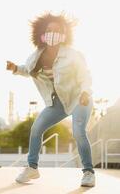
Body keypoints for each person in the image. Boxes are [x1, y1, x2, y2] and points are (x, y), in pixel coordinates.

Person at [6, 13, 95, 187]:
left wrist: (85, 91)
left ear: (64, 35)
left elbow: (85, 75)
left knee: (78, 132)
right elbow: (28, 69)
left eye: (57, 31)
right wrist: (15, 68)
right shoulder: (37, 55)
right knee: (36, 128)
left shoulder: (73, 54)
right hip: (57, 102)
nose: (52, 33)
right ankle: (32, 167)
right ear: (42, 34)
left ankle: (89, 172)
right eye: (49, 30)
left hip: (79, 98)